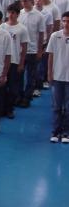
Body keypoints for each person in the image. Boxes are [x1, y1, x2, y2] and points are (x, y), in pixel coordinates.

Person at [47, 11, 69, 143]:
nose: (66, 24)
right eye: (64, 21)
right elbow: (51, 56)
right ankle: (55, 131)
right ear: (61, 22)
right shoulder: (55, 36)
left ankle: (66, 132)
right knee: (56, 106)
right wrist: (49, 74)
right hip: (57, 77)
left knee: (68, 107)